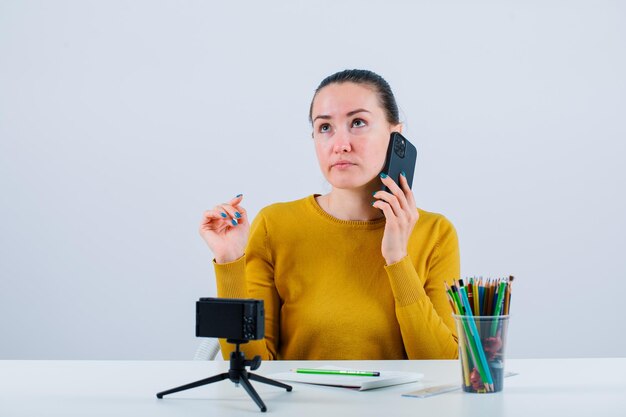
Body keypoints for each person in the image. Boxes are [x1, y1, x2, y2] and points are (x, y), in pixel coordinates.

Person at [200, 69, 460, 360]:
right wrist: (230, 261)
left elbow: (442, 367)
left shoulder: (435, 233)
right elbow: (249, 366)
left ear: (395, 136)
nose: (340, 145)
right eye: (325, 127)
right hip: (300, 405)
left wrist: (398, 259)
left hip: (397, 407)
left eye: (358, 122)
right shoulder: (275, 225)